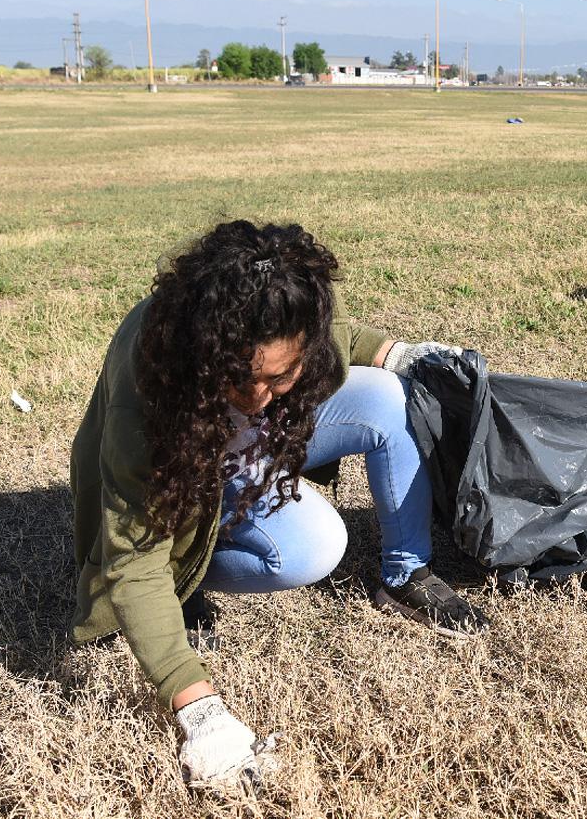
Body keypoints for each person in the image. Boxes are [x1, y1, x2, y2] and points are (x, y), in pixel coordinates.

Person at [68, 219, 490, 786]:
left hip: (244, 456)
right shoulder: (151, 399)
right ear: (207, 354)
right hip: (192, 478)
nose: (261, 398)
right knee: (315, 546)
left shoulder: (280, 322)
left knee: (389, 396)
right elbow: (134, 561)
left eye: (282, 376)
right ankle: (187, 583)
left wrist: (398, 353)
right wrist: (200, 711)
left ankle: (405, 575)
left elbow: (331, 336)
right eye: (242, 381)